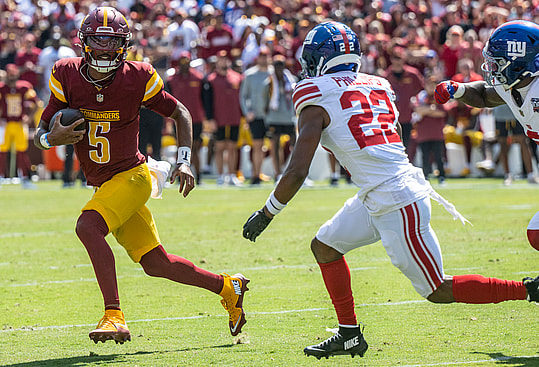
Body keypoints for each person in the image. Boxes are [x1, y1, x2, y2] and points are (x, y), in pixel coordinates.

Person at [242, 21, 539, 360]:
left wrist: (267, 213)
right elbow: (392, 133)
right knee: (325, 246)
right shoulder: (377, 84)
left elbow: (298, 169)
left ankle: (529, 289)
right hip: (378, 191)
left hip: (396, 199)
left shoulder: (313, 92)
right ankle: (349, 334)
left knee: (436, 289)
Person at [33, 7, 249, 344]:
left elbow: (180, 111)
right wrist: (50, 140)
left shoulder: (137, 76)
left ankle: (113, 315)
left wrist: (185, 159)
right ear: (84, 43)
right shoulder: (66, 74)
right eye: (97, 42)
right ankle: (227, 287)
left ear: (124, 45)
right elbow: (42, 130)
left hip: (133, 176)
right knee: (156, 263)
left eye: (112, 42)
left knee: (88, 226)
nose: (104, 49)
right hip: (106, 183)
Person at [435, 19, 539, 245]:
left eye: (497, 62)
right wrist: (458, 89)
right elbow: (484, 95)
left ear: (518, 62)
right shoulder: (514, 85)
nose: (491, 68)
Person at [166, 51, 206, 184]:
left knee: (194, 148)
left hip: (196, 118)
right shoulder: (172, 80)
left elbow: (204, 99)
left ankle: (198, 175)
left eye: (186, 61)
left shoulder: (198, 78)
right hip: (178, 119)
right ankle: (179, 176)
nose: (185, 64)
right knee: (180, 147)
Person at [0, 64, 39, 188]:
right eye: (9, 75)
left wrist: (29, 117)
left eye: (13, 75)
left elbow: (37, 103)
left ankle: (25, 179)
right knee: (2, 152)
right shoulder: (2, 88)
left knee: (22, 152)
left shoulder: (24, 87)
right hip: (5, 124)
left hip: (19, 123)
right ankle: (1, 177)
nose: (11, 78)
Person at [240, 48, 271, 185]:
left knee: (274, 146)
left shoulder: (273, 74)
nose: (263, 59)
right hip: (256, 116)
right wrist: (247, 112)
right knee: (257, 146)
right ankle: (255, 174)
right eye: (261, 56)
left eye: (266, 56)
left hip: (271, 116)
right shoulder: (250, 75)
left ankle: (277, 174)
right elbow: (243, 96)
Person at [264, 54, 297, 183]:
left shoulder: (290, 80)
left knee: (295, 144)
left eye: (281, 65)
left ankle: (294, 170)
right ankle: (278, 173)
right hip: (274, 117)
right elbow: (265, 99)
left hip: (288, 116)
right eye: (277, 65)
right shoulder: (269, 81)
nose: (279, 68)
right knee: (275, 145)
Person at [412, 76, 448, 184]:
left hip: (437, 133)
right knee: (425, 156)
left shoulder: (439, 96)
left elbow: (442, 112)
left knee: (438, 156)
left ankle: (441, 176)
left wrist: (426, 111)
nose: (430, 87)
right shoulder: (421, 96)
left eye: (433, 84)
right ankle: (426, 176)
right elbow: (417, 109)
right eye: (428, 84)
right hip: (423, 133)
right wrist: (431, 109)